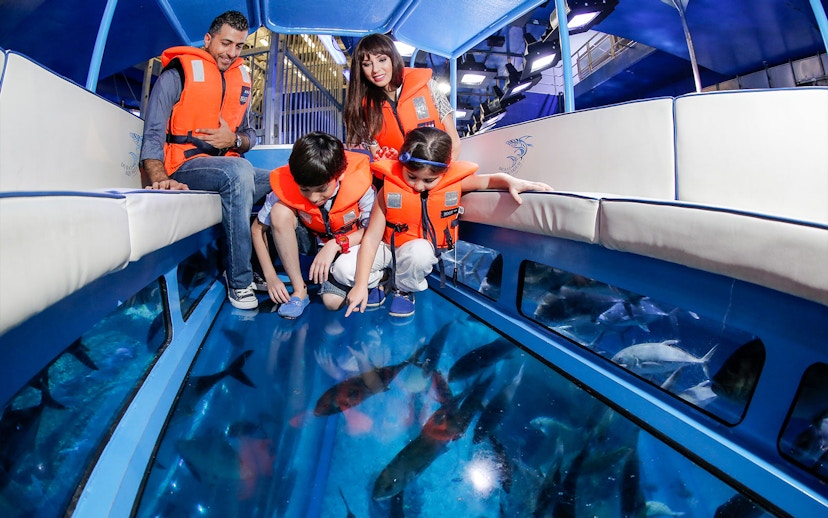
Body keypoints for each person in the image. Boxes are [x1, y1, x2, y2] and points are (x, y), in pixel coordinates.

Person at [344, 127, 553, 318]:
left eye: (428, 181)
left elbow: (488, 180)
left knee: (420, 253)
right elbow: (371, 240)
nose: (418, 186)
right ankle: (380, 281)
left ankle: (402, 288)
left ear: (444, 172)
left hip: (414, 252)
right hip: (387, 248)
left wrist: (511, 181)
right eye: (411, 176)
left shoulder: (454, 183)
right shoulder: (388, 190)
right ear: (402, 165)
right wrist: (361, 285)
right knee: (343, 271)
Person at [139, 10, 271, 310]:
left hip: (227, 165)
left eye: (238, 46)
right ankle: (239, 281)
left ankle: (264, 267)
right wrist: (160, 178)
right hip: (185, 166)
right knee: (239, 171)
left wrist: (234, 140)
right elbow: (153, 131)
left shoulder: (243, 80)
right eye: (225, 43)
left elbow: (250, 136)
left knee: (280, 180)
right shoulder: (179, 72)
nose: (231, 53)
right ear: (209, 39)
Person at [252, 132, 379, 319]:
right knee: (279, 211)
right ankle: (299, 291)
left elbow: (373, 231)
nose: (313, 198)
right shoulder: (287, 187)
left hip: (350, 246)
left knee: (332, 302)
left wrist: (335, 244)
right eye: (304, 190)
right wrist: (270, 276)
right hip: (313, 242)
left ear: (340, 174)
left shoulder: (362, 187)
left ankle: (376, 279)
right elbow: (257, 230)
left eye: (322, 189)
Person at [343, 33, 462, 164]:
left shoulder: (429, 86)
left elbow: (455, 143)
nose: (376, 69)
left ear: (393, 58)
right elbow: (379, 158)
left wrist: (437, 176)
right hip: (397, 179)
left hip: (439, 172)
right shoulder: (363, 110)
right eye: (367, 64)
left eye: (382, 60)